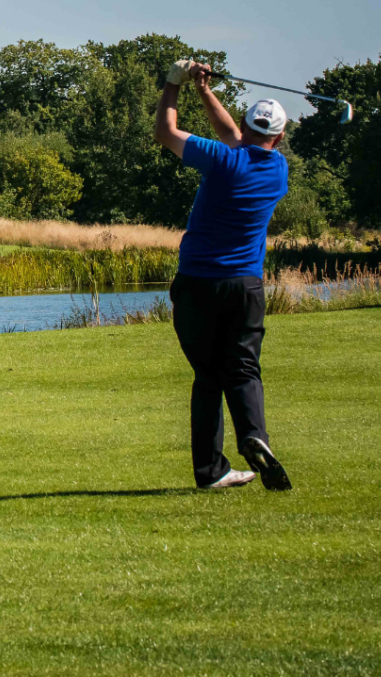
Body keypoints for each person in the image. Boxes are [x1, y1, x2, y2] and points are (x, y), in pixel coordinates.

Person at [153, 59, 293, 491]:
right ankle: (255, 435)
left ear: (249, 125)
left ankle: (211, 471)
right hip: (246, 287)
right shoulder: (278, 170)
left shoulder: (221, 160)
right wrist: (204, 90)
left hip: (197, 284)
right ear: (280, 136)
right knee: (244, 369)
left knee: (208, 377)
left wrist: (173, 84)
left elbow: (166, 133)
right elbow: (236, 137)